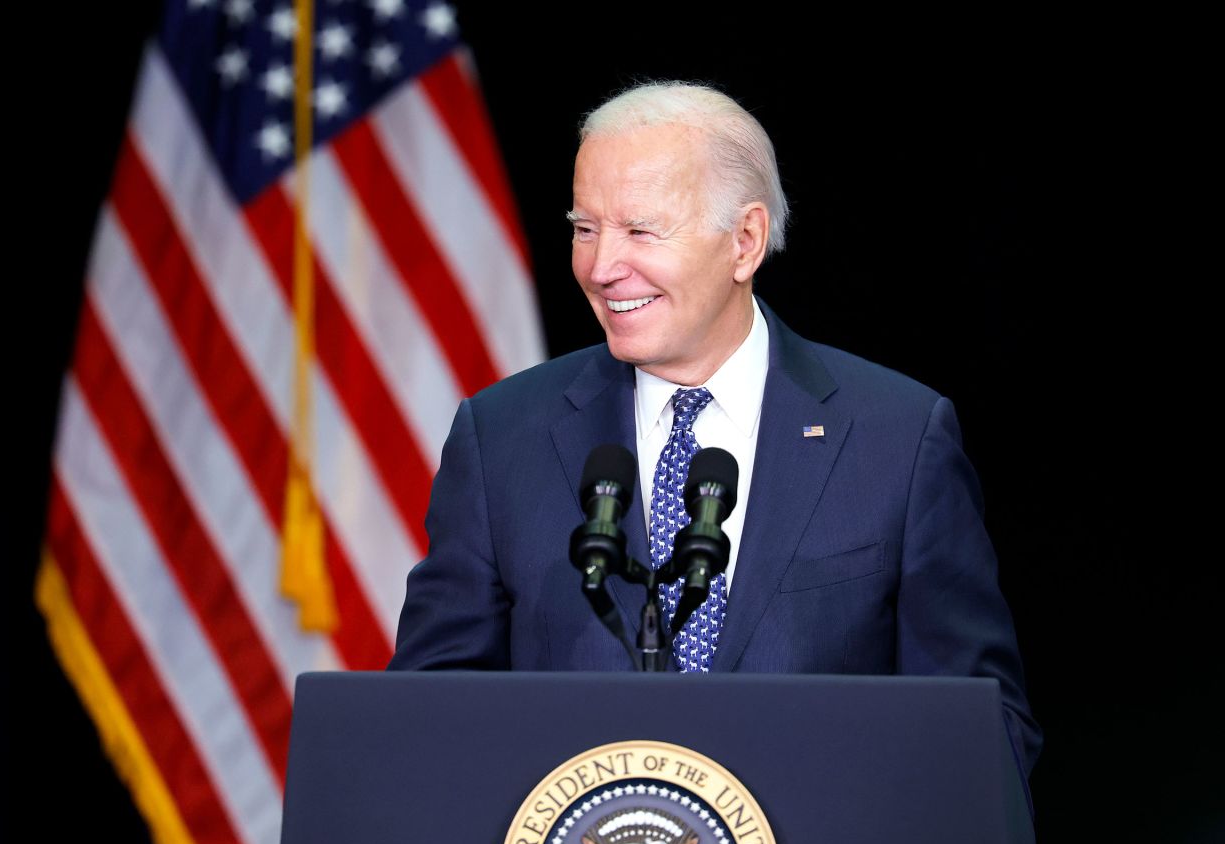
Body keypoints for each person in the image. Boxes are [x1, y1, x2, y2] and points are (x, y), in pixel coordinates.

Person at [388, 82, 1041, 779]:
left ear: (745, 241)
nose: (602, 267)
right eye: (585, 228)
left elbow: (984, 734)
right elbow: (428, 723)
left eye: (640, 230)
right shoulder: (501, 439)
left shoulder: (898, 441)